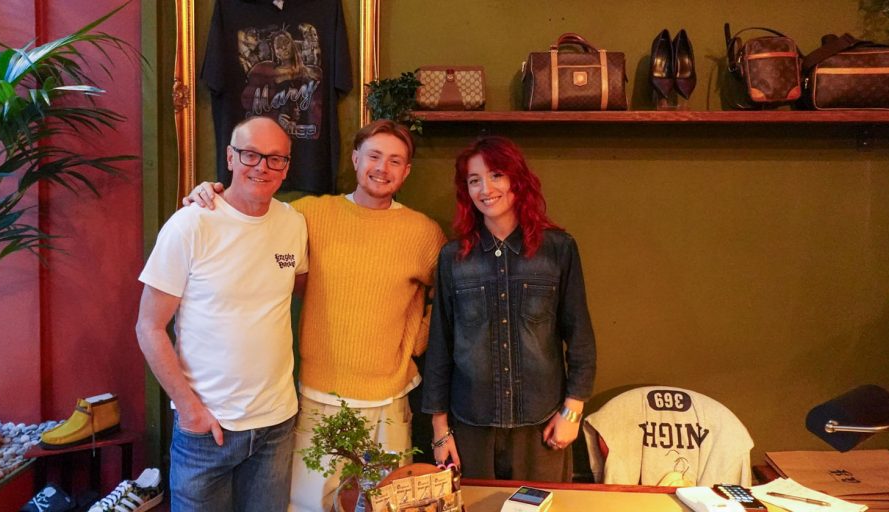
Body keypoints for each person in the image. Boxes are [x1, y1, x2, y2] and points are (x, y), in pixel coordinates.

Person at [183, 119, 446, 512]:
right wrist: (210, 193)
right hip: (318, 395)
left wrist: (416, 339)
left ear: (406, 171)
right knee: (308, 505)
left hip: (388, 401)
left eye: (395, 161)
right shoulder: (308, 215)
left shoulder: (423, 232)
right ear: (356, 159)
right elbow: (252, 210)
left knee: (386, 505)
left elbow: (448, 302)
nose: (382, 168)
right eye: (374, 156)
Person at [136, 116, 308, 511]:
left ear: (286, 167)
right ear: (230, 158)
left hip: (275, 426)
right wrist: (191, 411)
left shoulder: (293, 223)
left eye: (275, 158)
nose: (262, 166)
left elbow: (297, 289)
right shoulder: (191, 224)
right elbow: (149, 327)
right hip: (207, 429)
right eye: (250, 154)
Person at [422, 135, 596, 481]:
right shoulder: (454, 259)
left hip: (542, 427)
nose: (486, 188)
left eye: (496, 174)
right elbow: (440, 345)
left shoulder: (557, 250)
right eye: (474, 180)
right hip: (471, 425)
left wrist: (572, 412)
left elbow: (580, 338)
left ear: (517, 178)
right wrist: (440, 430)